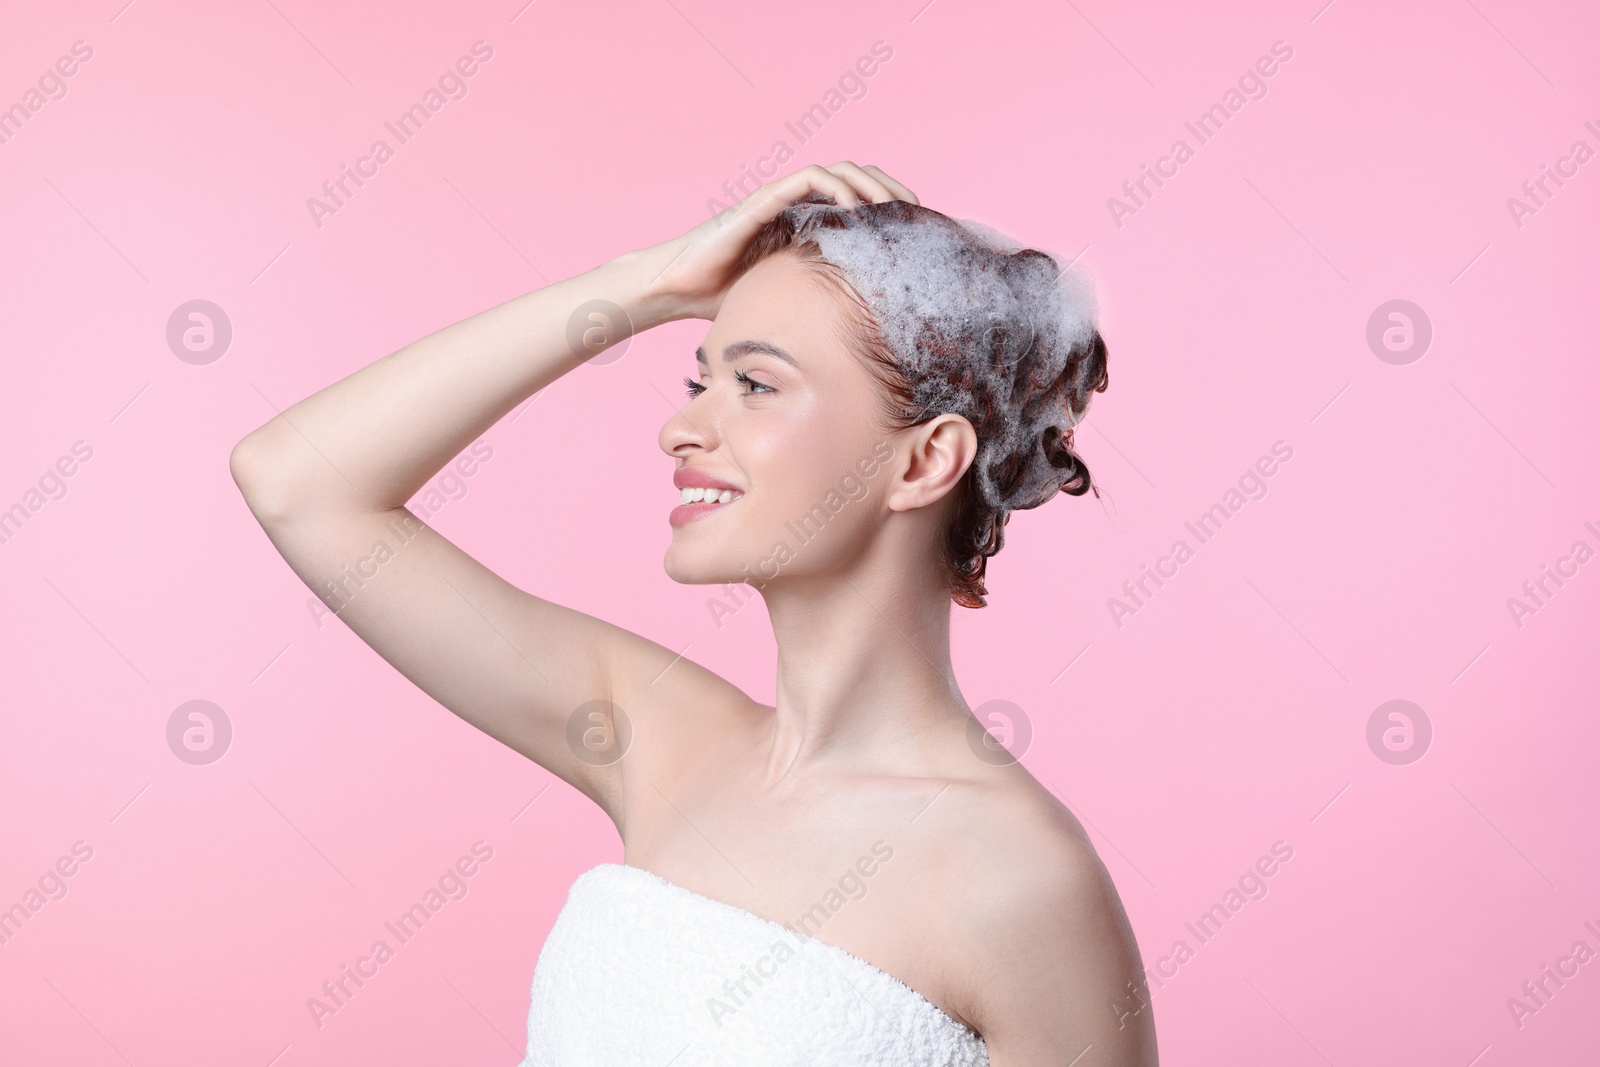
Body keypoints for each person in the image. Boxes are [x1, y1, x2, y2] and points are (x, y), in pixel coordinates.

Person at [230, 161, 1158, 1065]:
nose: (681, 430)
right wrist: (649, 284)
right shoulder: (658, 739)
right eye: (696, 381)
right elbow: (300, 483)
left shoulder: (1017, 878)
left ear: (922, 463)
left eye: (754, 385)